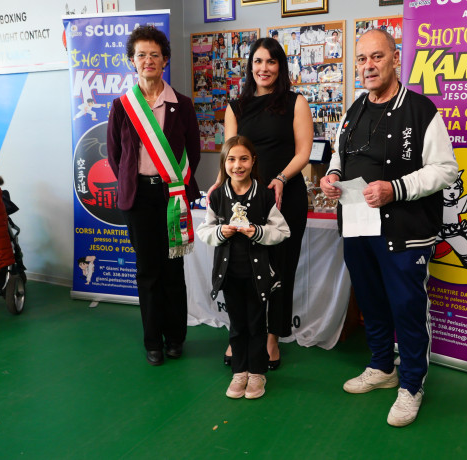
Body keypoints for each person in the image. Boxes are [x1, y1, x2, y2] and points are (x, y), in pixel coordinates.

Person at [320, 29, 458, 427]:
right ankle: (382, 367)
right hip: (358, 227)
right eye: (362, 59)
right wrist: (332, 175)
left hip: (405, 230)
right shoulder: (353, 111)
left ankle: (412, 385)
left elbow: (446, 169)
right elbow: (339, 155)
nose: (369, 66)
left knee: (407, 308)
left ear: (395, 59)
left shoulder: (421, 110)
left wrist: (395, 188)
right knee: (371, 303)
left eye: (377, 57)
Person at [209, 37, 313, 370]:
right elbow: (230, 153)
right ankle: (238, 335)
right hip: (243, 200)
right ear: (249, 66)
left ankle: (271, 338)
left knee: (280, 269)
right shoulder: (236, 107)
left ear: (280, 66)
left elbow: (304, 152)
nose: (263, 68)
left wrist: (281, 178)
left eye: (270, 61)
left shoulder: (295, 102)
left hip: (284, 197)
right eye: (257, 61)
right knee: (240, 269)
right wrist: (219, 184)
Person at [107, 25, 200, 366]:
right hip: (138, 200)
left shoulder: (182, 105)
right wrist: (135, 182)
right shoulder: (122, 106)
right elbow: (115, 156)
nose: (148, 60)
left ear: (165, 60)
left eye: (155, 55)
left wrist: (175, 183)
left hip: (172, 196)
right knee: (148, 271)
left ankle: (175, 338)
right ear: (132, 61)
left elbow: (193, 151)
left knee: (173, 268)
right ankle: (153, 342)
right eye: (141, 55)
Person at [197, 136, 290, 399]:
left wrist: (258, 232)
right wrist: (220, 232)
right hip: (229, 275)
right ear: (224, 163)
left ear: (253, 161)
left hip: (257, 276)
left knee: (257, 324)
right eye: (231, 159)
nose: (237, 165)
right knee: (237, 325)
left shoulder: (264, 194)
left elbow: (282, 231)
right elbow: (204, 231)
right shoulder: (217, 196)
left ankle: (257, 373)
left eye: (244, 159)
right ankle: (239, 371)